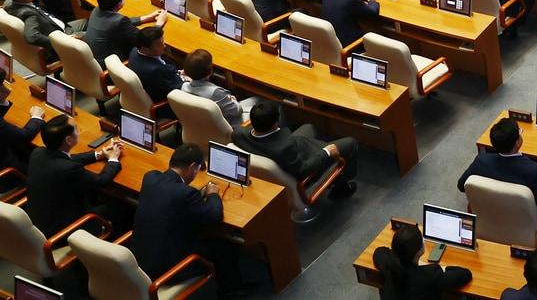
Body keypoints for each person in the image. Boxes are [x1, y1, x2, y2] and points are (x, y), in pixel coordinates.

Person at [129, 144, 243, 293]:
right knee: (225, 245)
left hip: (139, 259)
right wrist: (213, 193)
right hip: (168, 269)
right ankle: (232, 292)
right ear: (193, 167)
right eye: (197, 169)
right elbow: (214, 216)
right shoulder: (186, 194)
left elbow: (172, 198)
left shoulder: (150, 177)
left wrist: (196, 195)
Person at [233, 101, 358, 199]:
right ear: (275, 123)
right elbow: (302, 171)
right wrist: (326, 152)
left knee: (309, 127)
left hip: (286, 153)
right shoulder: (285, 147)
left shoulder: (238, 134)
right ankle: (341, 187)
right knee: (350, 143)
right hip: (302, 167)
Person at [27, 116, 124, 235]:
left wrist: (99, 155)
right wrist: (113, 159)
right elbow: (101, 181)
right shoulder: (70, 169)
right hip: (63, 230)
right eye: (76, 129)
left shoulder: (38, 152)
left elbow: (67, 159)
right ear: (68, 140)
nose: (79, 132)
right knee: (122, 207)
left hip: (41, 219)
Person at [456, 116, 537, 216]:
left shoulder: (481, 161)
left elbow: (461, 185)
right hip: (524, 223)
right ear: (517, 142)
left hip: (490, 216)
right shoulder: (531, 170)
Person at [373, 221, 473, 300]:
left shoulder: (390, 265)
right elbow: (466, 274)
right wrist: (443, 268)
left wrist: (396, 255)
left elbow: (379, 251)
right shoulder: (430, 275)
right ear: (419, 251)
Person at [85, 0, 165, 66]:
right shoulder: (119, 21)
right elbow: (144, 38)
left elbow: (123, 23)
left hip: (95, 59)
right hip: (111, 65)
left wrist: (148, 17)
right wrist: (158, 24)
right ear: (119, 4)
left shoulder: (97, 10)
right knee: (149, 46)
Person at [182, 49, 246, 127]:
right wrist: (233, 100)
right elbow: (237, 111)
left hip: (203, 127)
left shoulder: (184, 87)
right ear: (210, 71)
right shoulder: (215, 93)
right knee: (259, 100)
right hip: (230, 125)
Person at [0, 66, 44, 171]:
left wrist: (3, 100)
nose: (5, 87)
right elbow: (24, 136)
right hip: (7, 167)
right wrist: (36, 117)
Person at [128, 25, 183, 107]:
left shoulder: (135, 51)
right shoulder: (155, 71)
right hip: (167, 104)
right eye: (159, 44)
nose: (164, 46)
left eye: (163, 41)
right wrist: (188, 80)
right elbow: (174, 90)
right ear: (145, 49)